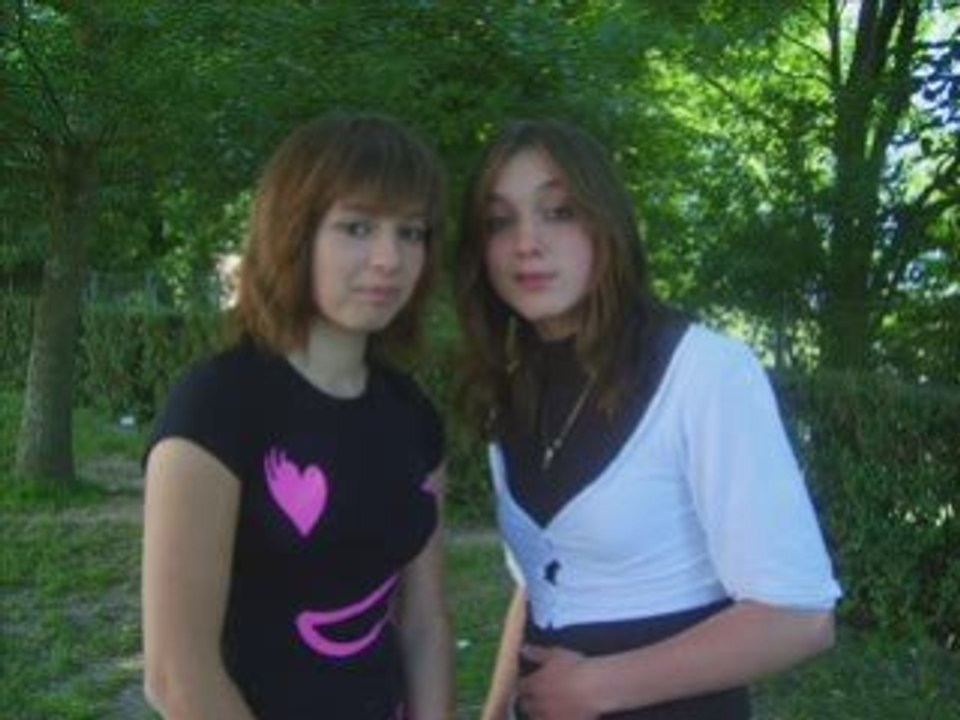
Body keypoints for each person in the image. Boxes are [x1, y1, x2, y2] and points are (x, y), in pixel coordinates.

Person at [455, 118, 841, 720]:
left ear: (606, 224)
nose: (526, 242)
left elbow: (799, 617)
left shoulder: (705, 371)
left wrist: (597, 686)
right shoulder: (513, 389)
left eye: (559, 212)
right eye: (499, 221)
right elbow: (538, 585)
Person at [142, 114, 453, 719]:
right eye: (357, 227)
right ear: (294, 232)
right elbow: (177, 674)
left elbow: (423, 622)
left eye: (411, 232)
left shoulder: (414, 417)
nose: (390, 258)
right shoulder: (216, 408)